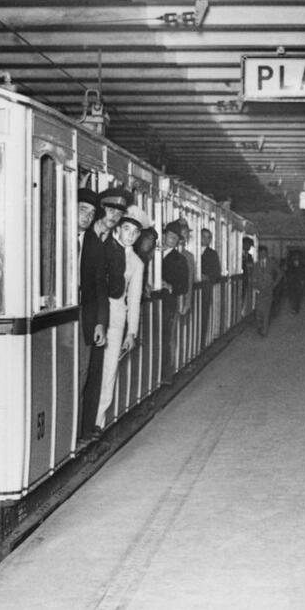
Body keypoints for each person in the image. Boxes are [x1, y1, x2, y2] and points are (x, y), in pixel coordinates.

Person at [95, 204, 150, 431]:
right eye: (127, 229)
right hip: (96, 315)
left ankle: (98, 421)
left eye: (135, 233)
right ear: (118, 228)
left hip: (116, 319)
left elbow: (134, 300)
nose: (131, 235)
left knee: (109, 371)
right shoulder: (103, 248)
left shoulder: (137, 263)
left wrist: (132, 332)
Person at [77, 188, 108, 442]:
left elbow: (99, 286)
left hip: (86, 317)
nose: (86, 217)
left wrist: (100, 322)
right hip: (65, 312)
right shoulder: (55, 235)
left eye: (90, 212)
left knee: (84, 372)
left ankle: (81, 429)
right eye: (82, 210)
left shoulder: (93, 244)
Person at [161, 220, 189, 383]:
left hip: (168, 303)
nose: (170, 239)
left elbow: (184, 285)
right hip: (156, 302)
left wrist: (170, 286)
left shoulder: (179, 259)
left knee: (167, 338)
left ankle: (167, 374)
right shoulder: (154, 253)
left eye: (174, 237)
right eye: (168, 235)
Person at [253, 245, 282, 336]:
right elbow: (253, 278)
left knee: (266, 311)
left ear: (267, 254)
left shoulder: (271, 263)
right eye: (261, 254)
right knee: (258, 311)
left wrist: (274, 284)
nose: (262, 255)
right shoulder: (256, 265)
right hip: (259, 290)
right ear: (258, 254)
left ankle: (264, 331)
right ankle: (259, 325)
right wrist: (254, 287)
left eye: (264, 254)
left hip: (268, 290)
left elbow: (280, 273)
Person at [200, 227, 221, 346]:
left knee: (204, 313)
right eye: (203, 236)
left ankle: (202, 341)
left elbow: (216, 274)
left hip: (205, 288)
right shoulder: (192, 250)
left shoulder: (212, 254)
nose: (206, 239)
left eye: (208, 237)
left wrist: (207, 277)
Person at [134, 226, 158, 299]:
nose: (150, 243)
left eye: (152, 240)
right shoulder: (133, 255)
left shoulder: (144, 258)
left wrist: (145, 285)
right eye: (148, 239)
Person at [241, 237, 255, 315]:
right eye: (248, 245)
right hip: (241, 279)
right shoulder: (238, 255)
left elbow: (251, 266)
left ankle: (243, 312)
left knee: (245, 295)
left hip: (247, 279)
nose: (249, 247)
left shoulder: (249, 256)